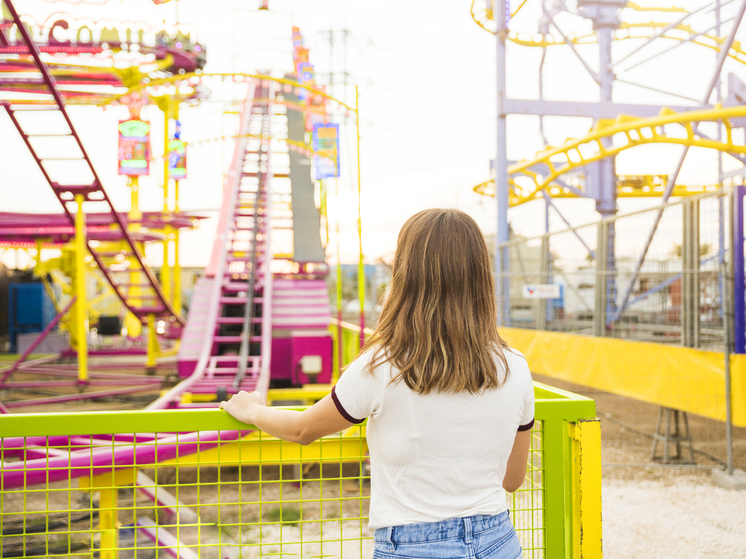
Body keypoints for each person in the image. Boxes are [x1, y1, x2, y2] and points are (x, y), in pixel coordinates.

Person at [221, 208, 534, 559]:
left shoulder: (381, 365)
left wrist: (252, 411)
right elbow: (511, 479)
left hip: (414, 546)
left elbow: (302, 430)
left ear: (405, 274)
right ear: (481, 276)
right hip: (497, 541)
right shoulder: (515, 367)